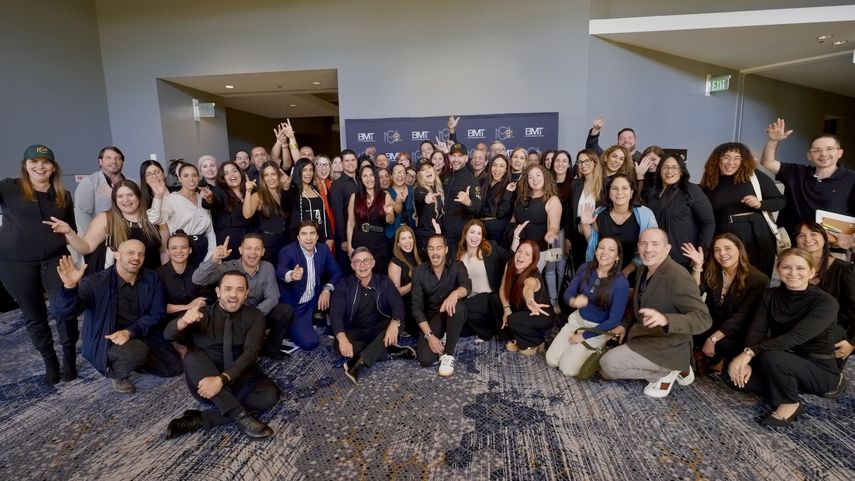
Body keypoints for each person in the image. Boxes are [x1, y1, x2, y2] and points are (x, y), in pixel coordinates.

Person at [51, 240, 183, 393]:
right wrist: (69, 288)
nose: (136, 258)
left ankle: (136, 359)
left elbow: (157, 313)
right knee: (136, 352)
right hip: (106, 340)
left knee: (174, 368)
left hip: (138, 333)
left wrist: (130, 332)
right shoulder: (95, 282)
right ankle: (116, 373)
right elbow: (62, 313)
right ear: (117, 255)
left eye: (141, 254)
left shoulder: (151, 277)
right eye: (130, 253)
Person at [728, 248, 843, 425]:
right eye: (786, 267)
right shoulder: (770, 294)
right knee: (739, 379)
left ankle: (790, 402)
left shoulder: (826, 302)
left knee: (771, 358)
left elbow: (795, 337)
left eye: (800, 268)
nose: (793, 273)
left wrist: (749, 354)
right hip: (785, 356)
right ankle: (786, 384)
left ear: (812, 272)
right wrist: (746, 361)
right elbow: (758, 329)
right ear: (778, 270)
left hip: (819, 368)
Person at [164, 270, 279, 440]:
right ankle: (241, 416)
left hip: (240, 375)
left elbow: (251, 353)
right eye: (228, 289)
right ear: (218, 292)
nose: (233, 295)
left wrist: (222, 379)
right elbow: (168, 335)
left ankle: (200, 419)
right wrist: (182, 322)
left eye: (240, 289)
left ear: (246, 293)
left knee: (270, 395)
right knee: (192, 356)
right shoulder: (203, 314)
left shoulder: (255, 316)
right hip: (205, 379)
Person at [599, 228, 712, 398]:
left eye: (655, 244)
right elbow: (638, 308)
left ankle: (666, 373)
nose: (648, 249)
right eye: (643, 244)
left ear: (667, 249)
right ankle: (680, 369)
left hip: (668, 345)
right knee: (603, 366)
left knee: (608, 365)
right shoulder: (642, 270)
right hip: (644, 336)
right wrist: (623, 325)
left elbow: (703, 319)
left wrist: (666, 320)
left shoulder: (677, 275)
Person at [0, 145, 78, 384]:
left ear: (53, 167)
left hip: (55, 258)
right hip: (16, 263)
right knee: (34, 314)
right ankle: (50, 361)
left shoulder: (63, 196)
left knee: (64, 309)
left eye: (45, 162)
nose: (40, 166)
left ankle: (68, 358)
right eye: (34, 161)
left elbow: (70, 230)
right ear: (25, 165)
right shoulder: (7, 188)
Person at [192, 235, 294, 360]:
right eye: (248, 248)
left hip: (257, 312)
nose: (253, 253)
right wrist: (214, 259)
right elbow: (197, 280)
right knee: (239, 358)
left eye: (257, 249)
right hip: (232, 318)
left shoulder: (267, 267)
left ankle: (270, 349)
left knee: (285, 310)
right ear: (241, 250)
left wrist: (255, 316)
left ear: (263, 252)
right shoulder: (228, 267)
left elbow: (273, 297)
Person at [761, 119, 854, 250]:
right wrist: (773, 140)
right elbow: (768, 162)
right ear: (809, 155)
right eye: (817, 150)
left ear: (840, 153)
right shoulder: (796, 172)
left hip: (832, 249)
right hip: (794, 246)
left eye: (829, 149)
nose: (823, 154)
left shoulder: (852, 178)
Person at [682, 234, 770, 373]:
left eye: (727, 248)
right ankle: (703, 357)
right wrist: (698, 267)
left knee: (724, 345)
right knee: (684, 328)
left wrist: (713, 339)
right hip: (712, 323)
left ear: (739, 250)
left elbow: (741, 317)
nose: (722, 253)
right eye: (717, 250)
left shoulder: (758, 279)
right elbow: (693, 293)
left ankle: (715, 360)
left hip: (738, 330)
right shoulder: (713, 270)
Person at [546, 237, 629, 376]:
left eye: (611, 250)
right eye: (601, 247)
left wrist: (584, 336)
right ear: (596, 251)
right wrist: (573, 301)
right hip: (576, 321)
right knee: (551, 360)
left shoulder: (621, 283)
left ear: (617, 257)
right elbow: (568, 293)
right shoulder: (585, 267)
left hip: (596, 330)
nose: (604, 252)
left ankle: (599, 350)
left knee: (567, 369)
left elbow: (613, 320)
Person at [700, 142, 785, 277]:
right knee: (725, 276)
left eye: (736, 158)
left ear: (743, 160)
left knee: (757, 276)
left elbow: (780, 201)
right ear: (718, 159)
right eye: (726, 157)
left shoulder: (754, 177)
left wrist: (760, 204)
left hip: (755, 233)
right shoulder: (710, 181)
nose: (731, 162)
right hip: (723, 234)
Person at [332, 247, 415, 384]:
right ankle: (387, 350)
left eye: (366, 260)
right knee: (338, 344)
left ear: (373, 263)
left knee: (400, 323)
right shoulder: (343, 285)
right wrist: (342, 339)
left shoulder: (384, 281)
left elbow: (397, 303)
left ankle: (358, 363)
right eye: (357, 262)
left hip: (379, 328)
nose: (362, 265)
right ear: (352, 265)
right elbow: (335, 313)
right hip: (355, 330)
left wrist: (394, 323)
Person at [48, 180, 167, 274]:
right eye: (120, 196)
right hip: (118, 285)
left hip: (151, 281)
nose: (125, 200)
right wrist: (70, 233)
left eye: (130, 195)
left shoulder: (154, 218)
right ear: (115, 200)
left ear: (139, 197)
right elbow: (86, 247)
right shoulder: (106, 219)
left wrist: (165, 279)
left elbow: (164, 252)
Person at [793, 222, 855, 370]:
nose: (807, 239)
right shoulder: (794, 266)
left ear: (825, 238)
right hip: (803, 324)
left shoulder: (846, 270)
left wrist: (852, 342)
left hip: (837, 330)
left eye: (814, 234)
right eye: (801, 235)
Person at [276, 221, 343, 350]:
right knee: (310, 343)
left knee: (342, 287)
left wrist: (327, 289)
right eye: (304, 234)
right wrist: (291, 274)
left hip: (314, 299)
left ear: (317, 236)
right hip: (296, 305)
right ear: (298, 237)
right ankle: (288, 326)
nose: (308, 238)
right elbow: (280, 269)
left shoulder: (323, 249)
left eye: (312, 233)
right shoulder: (288, 251)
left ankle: (317, 320)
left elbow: (337, 272)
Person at [411, 235, 471, 376]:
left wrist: (455, 294)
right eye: (431, 249)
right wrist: (429, 336)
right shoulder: (418, 272)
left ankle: (448, 354)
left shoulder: (457, 266)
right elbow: (416, 308)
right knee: (425, 360)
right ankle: (442, 336)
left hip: (454, 313)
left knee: (457, 306)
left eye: (439, 248)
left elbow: (466, 286)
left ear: (445, 249)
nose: (435, 253)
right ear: (427, 251)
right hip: (433, 318)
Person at [643, 154, 715, 268]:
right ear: (659, 170)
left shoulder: (692, 190)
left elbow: (708, 222)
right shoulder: (652, 191)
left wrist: (700, 250)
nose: (669, 171)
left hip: (682, 258)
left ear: (681, 171)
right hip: (654, 256)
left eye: (674, 167)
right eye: (665, 167)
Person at [581, 174, 657, 278]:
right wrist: (585, 224)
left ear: (631, 193)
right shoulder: (599, 214)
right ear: (609, 193)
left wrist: (626, 272)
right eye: (615, 188)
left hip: (637, 272)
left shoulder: (645, 215)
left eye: (624, 188)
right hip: (604, 272)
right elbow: (593, 243)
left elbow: (650, 248)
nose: (619, 192)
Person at [148, 163, 216, 267]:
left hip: (204, 250)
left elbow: (210, 230)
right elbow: (155, 219)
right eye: (186, 176)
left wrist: (211, 254)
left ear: (199, 177)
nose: (191, 179)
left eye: (194, 175)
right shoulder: (171, 199)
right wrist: (158, 196)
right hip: (182, 249)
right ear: (179, 178)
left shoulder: (202, 197)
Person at [456, 220, 511, 341]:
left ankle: (487, 333)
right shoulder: (459, 253)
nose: (475, 236)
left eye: (479, 233)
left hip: (488, 296)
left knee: (462, 307)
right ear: (465, 234)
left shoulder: (490, 248)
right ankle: (487, 329)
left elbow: (510, 257)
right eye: (472, 232)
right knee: (460, 329)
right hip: (469, 296)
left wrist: (516, 239)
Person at [499, 241, 555, 354]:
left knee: (512, 319)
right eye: (519, 251)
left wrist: (529, 300)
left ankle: (536, 341)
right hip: (520, 308)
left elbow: (528, 288)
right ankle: (514, 337)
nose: (521, 256)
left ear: (533, 260)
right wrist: (506, 308)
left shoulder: (532, 278)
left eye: (527, 254)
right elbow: (502, 288)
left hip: (539, 314)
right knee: (495, 300)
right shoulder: (510, 263)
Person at [508, 164, 562, 273]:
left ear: (545, 177)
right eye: (530, 177)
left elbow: (554, 227)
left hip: (539, 252)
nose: (534, 179)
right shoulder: (521, 198)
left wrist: (551, 233)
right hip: (517, 249)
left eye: (538, 175)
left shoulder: (552, 200)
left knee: (529, 280)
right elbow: (513, 220)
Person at [346, 165, 395, 271]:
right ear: (361, 179)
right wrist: (349, 246)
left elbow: (390, 221)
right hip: (359, 241)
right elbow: (350, 223)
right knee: (360, 274)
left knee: (379, 274)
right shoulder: (355, 197)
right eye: (365, 176)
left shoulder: (385, 196)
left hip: (379, 243)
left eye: (371, 175)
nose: (369, 179)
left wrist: (389, 213)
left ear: (376, 177)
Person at [157, 231, 212, 323]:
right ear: (168, 251)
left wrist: (197, 305)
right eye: (174, 248)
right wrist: (188, 306)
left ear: (189, 250)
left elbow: (207, 298)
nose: (179, 251)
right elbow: (158, 306)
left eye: (183, 247)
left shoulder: (199, 271)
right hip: (168, 323)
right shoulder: (158, 274)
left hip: (196, 319)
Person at [243, 161, 290, 263]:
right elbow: (247, 215)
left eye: (273, 174)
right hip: (268, 244)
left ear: (278, 175)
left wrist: (287, 187)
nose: (270, 178)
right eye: (266, 175)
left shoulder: (283, 193)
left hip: (285, 240)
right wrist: (248, 191)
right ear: (263, 178)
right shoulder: (258, 195)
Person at [74, 146, 125, 237]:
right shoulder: (89, 182)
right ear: (100, 161)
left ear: (122, 161)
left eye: (117, 158)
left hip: (127, 236)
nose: (113, 161)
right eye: (108, 158)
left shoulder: (132, 183)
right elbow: (82, 213)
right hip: (100, 239)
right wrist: (92, 238)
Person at [567, 149, 605, 271]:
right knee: (580, 271)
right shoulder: (575, 185)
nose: (583, 165)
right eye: (580, 162)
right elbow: (569, 212)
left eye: (587, 161)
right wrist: (568, 238)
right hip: (578, 236)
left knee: (597, 270)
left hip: (598, 235)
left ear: (595, 162)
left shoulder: (605, 184)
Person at [208, 161, 253, 261]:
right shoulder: (218, 191)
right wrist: (209, 200)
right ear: (223, 178)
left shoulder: (249, 190)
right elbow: (213, 203)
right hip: (228, 241)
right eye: (226, 173)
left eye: (234, 171)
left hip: (248, 240)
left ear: (240, 173)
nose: (231, 175)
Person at [442, 143, 483, 254]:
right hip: (443, 233)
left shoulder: (472, 180)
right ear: (449, 157)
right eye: (453, 156)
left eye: (460, 156)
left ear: (466, 158)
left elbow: (477, 207)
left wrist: (468, 202)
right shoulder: (446, 176)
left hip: (459, 237)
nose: (456, 159)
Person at [289, 158, 333, 250]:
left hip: (321, 237)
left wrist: (330, 237)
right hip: (303, 239)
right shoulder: (293, 191)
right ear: (298, 172)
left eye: (311, 170)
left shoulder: (316, 189)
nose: (308, 173)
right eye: (304, 170)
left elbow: (324, 214)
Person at [388, 225, 423, 336]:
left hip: (421, 301)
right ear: (398, 243)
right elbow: (396, 293)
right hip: (407, 306)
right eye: (403, 238)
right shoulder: (395, 263)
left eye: (409, 237)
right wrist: (414, 282)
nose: (407, 241)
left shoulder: (419, 257)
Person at [329, 150, 360, 267]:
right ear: (342, 163)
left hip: (361, 232)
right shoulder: (337, 185)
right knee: (348, 270)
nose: (350, 163)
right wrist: (344, 239)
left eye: (353, 160)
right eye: (347, 160)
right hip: (347, 235)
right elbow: (338, 214)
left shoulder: (361, 180)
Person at [478, 154, 515, 242]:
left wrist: (508, 192)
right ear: (490, 167)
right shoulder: (481, 182)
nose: (497, 169)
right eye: (494, 165)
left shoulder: (509, 186)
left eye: (502, 166)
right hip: (479, 228)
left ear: (506, 169)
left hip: (497, 231)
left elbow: (501, 213)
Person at [413, 161, 445, 251]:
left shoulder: (437, 189)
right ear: (419, 175)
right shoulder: (419, 190)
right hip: (425, 238)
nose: (427, 171)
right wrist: (427, 198)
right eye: (423, 170)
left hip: (437, 236)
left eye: (429, 167)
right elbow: (421, 196)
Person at [387, 163, 415, 238]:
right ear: (391, 176)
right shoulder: (386, 193)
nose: (400, 175)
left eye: (403, 172)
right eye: (396, 172)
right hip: (392, 235)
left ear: (406, 176)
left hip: (412, 235)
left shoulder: (413, 190)